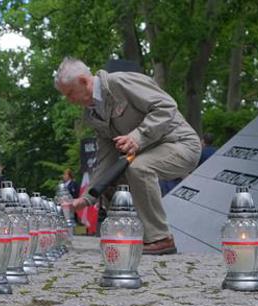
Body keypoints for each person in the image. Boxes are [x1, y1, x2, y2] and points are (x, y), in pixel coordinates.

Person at [55, 57, 201, 255]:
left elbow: (167, 106)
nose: (69, 100)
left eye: (70, 93)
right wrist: (87, 197)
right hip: (148, 153)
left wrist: (137, 137)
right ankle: (126, 233)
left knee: (139, 168)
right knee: (115, 178)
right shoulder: (92, 115)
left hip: (180, 143)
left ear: (83, 81)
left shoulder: (119, 83)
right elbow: (105, 159)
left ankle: (160, 237)